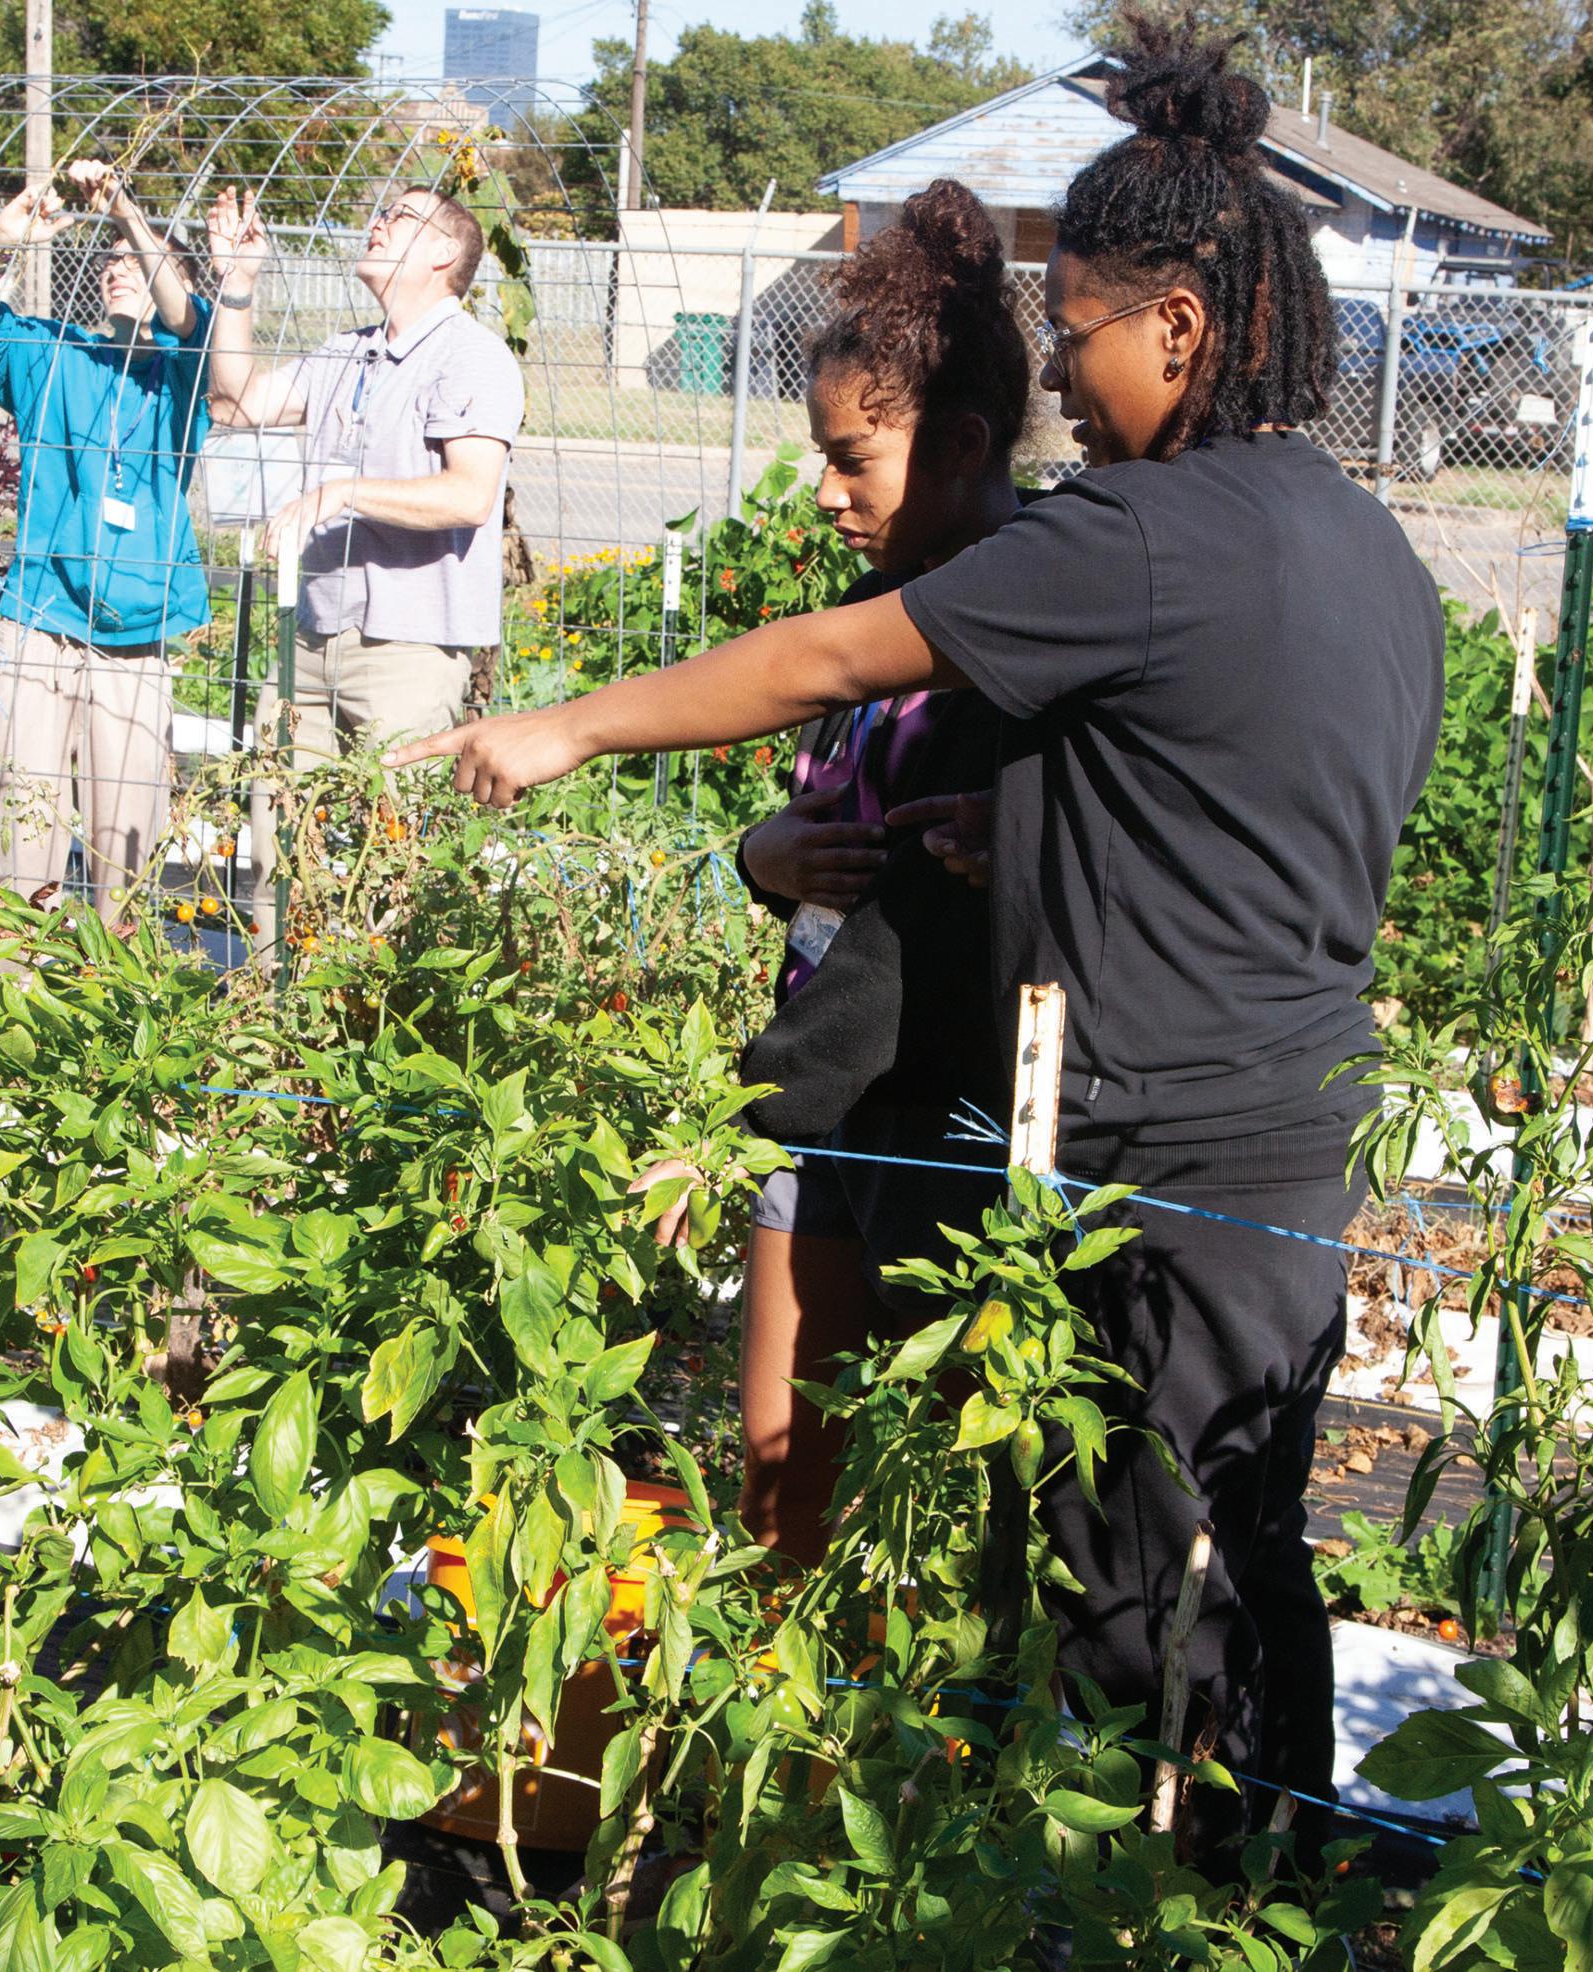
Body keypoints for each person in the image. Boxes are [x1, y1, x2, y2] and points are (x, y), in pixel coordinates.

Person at [388, 21, 1446, 1862]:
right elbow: (1229, 803)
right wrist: (1013, 832)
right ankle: (1256, 1891)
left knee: (1138, 1595)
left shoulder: (1139, 533)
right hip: (1288, 1129)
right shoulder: (1367, 552)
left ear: (1178, 327)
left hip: (1150, 1150)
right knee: (1239, 1546)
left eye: (1079, 326)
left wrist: (564, 727)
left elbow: (827, 657)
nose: (1066, 380)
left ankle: (1170, 1907)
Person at [639, 182, 1026, 1564]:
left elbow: (920, 935)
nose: (824, 492)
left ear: (961, 444)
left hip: (937, 1121)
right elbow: (820, 839)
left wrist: (743, 1113)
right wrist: (765, 855)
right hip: (817, 1103)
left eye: (853, 458)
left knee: (947, 1504)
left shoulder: (1026, 641)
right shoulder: (867, 621)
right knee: (778, 1492)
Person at [202, 182, 525, 952]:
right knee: (279, 842)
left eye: (400, 217)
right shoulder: (345, 352)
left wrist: (342, 492)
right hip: (310, 638)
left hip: (407, 649)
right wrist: (237, 287)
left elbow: (470, 495)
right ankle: (276, 1002)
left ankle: (381, 1009)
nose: (377, 224)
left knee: (397, 857)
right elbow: (234, 404)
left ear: (445, 252)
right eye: (380, 213)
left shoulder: (472, 356)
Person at [0, 160, 212, 926]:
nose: (119, 267)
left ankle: (114, 987)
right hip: (38, 623)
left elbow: (186, 317)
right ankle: (15, 983)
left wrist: (124, 209)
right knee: (20, 840)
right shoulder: (54, 355)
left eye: (139, 259)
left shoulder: (182, 375)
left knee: (124, 857)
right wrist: (2, 244)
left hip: (135, 642)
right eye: (110, 259)